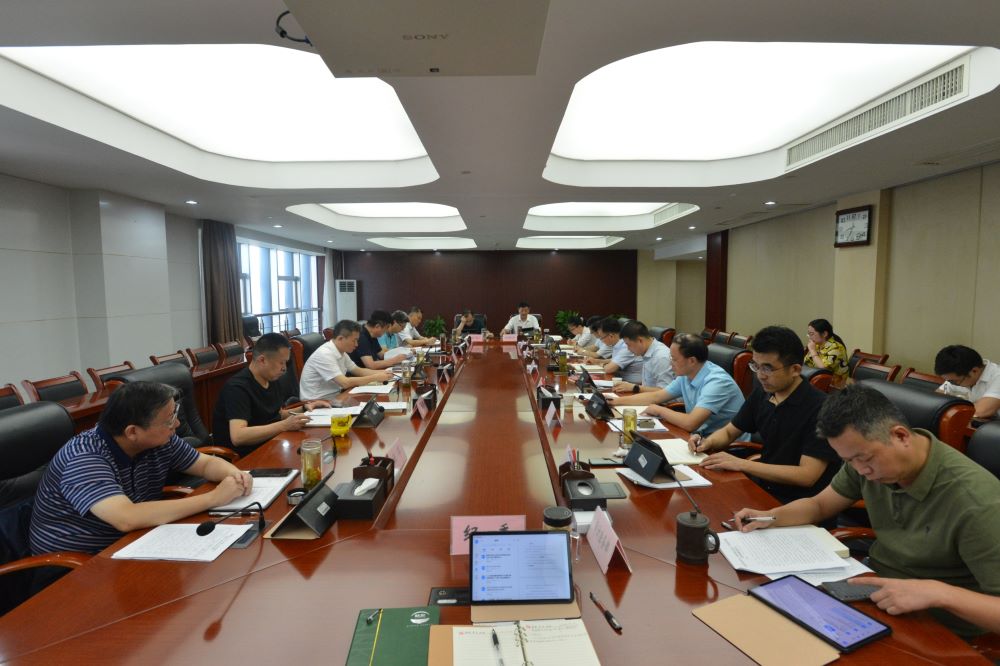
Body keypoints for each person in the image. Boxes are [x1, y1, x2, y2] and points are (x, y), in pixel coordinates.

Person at [735, 384, 1000, 637]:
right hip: (873, 589)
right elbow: (820, 505)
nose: (861, 471)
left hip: (938, 624)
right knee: (767, 618)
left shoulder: (978, 503)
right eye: (849, 461)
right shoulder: (863, 456)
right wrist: (771, 516)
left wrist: (940, 594)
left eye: (864, 459)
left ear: (901, 436)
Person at [29, 381, 252, 556]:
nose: (176, 425)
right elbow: (126, 517)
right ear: (132, 432)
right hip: (77, 564)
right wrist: (214, 498)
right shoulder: (84, 457)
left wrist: (236, 475)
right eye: (168, 420)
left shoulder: (160, 441)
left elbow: (205, 464)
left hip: (135, 541)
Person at [690, 325, 840, 504]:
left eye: (768, 368)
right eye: (756, 366)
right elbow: (730, 432)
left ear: (795, 370)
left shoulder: (822, 409)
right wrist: (707, 442)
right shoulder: (764, 393)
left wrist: (742, 464)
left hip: (800, 503)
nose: (760, 376)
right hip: (762, 489)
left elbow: (807, 475)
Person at [212, 333, 331, 451]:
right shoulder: (237, 388)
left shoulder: (271, 379)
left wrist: (304, 408)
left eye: (286, 363)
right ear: (262, 360)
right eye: (281, 363)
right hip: (244, 456)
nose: (285, 368)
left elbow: (277, 415)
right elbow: (238, 436)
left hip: (271, 444)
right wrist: (284, 425)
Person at [614, 334, 747, 439]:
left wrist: (659, 410)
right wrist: (614, 402)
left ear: (692, 360)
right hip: (699, 437)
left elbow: (690, 423)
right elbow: (656, 396)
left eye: (674, 359)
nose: (670, 363)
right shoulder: (687, 374)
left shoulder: (717, 382)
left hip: (727, 446)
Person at [299, 320, 395, 400]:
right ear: (340, 338)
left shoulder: (342, 352)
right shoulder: (325, 354)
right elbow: (345, 383)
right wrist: (375, 377)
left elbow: (359, 371)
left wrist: (387, 372)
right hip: (317, 403)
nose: (356, 344)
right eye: (354, 340)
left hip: (335, 397)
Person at [608, 320, 674, 402]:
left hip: (662, 405)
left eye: (628, 345)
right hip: (648, 399)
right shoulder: (647, 351)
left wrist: (634, 387)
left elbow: (664, 393)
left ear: (640, 341)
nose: (628, 349)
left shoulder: (661, 357)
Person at [934, 345, 1000, 420]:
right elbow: (937, 400)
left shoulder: (997, 376)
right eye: (949, 381)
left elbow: (981, 411)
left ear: (974, 371)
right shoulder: (957, 376)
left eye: (954, 381)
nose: (951, 384)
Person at [593, 317, 643, 384]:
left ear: (611, 336)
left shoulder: (626, 346)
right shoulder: (618, 344)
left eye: (602, 338)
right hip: (622, 380)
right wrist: (597, 361)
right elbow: (615, 359)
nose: (601, 341)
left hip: (632, 384)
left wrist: (602, 364)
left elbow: (609, 369)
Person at [803, 318, 849, 388]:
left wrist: (812, 351)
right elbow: (806, 362)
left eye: (811, 334)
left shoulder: (836, 347)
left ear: (824, 334)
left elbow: (823, 368)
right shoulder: (817, 345)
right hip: (817, 380)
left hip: (834, 385)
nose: (809, 337)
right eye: (808, 334)